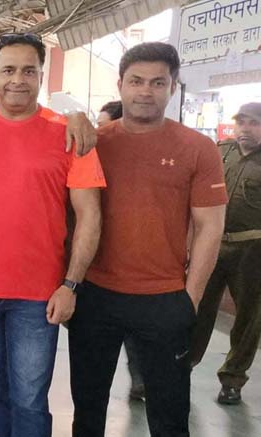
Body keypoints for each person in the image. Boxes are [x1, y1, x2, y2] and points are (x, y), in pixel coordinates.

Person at [0, 33, 105, 437]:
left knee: (29, 396)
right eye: (8, 70)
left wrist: (71, 285)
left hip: (39, 295)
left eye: (29, 70)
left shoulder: (68, 134)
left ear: (41, 76)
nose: (18, 79)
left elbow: (89, 214)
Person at [68, 42, 227, 437]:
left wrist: (189, 298)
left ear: (173, 87)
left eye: (158, 82)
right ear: (120, 84)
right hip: (96, 297)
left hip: (163, 299)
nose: (145, 91)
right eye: (136, 81)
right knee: (87, 409)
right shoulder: (94, 143)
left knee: (170, 414)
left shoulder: (198, 148)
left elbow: (210, 227)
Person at [190, 101, 261, 405]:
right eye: (241, 122)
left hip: (252, 250)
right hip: (212, 244)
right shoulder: (221, 153)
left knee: (249, 317)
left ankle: (233, 378)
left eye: (253, 123)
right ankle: (181, 365)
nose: (245, 128)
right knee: (195, 307)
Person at [95, 99, 146, 401]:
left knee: (135, 337)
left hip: (139, 279)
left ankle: (141, 378)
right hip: (98, 278)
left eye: (103, 125)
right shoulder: (93, 153)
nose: (97, 131)